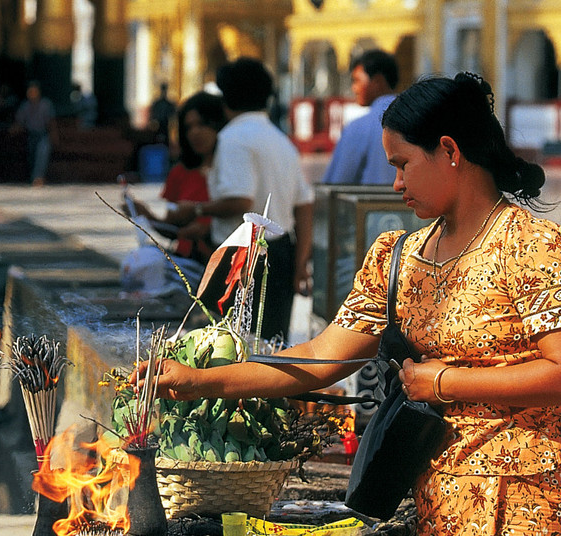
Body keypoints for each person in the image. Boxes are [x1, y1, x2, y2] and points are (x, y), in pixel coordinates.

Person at [146, 72, 561, 536]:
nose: (394, 183)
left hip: (531, 507)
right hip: (442, 504)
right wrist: (197, 382)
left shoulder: (535, 245)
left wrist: (442, 380)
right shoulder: (399, 257)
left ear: (450, 152)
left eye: (403, 164)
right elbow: (320, 357)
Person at [169, 57, 314, 341]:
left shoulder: (232, 138)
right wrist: (300, 264)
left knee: (234, 346)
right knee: (272, 345)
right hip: (282, 251)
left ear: (226, 97)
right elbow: (305, 206)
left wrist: (197, 209)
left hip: (245, 257)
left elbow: (241, 201)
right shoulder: (280, 139)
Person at [121, 91, 226, 294]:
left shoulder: (231, 174)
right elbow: (172, 229)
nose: (195, 133)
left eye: (203, 124)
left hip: (227, 267)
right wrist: (146, 215)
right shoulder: (180, 173)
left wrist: (208, 229)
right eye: (189, 127)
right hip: (190, 268)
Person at [322, 49, 398, 185]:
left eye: (357, 80)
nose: (354, 88)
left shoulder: (358, 128)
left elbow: (337, 184)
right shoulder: (417, 120)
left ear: (378, 82)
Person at [12, 80, 57, 187]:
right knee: (31, 156)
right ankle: (34, 177)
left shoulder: (46, 104)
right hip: (31, 135)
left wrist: (54, 136)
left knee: (42, 152)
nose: (32, 93)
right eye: (30, 91)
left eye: (34, 91)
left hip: (43, 135)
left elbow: (51, 122)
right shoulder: (25, 106)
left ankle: (38, 178)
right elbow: (19, 122)